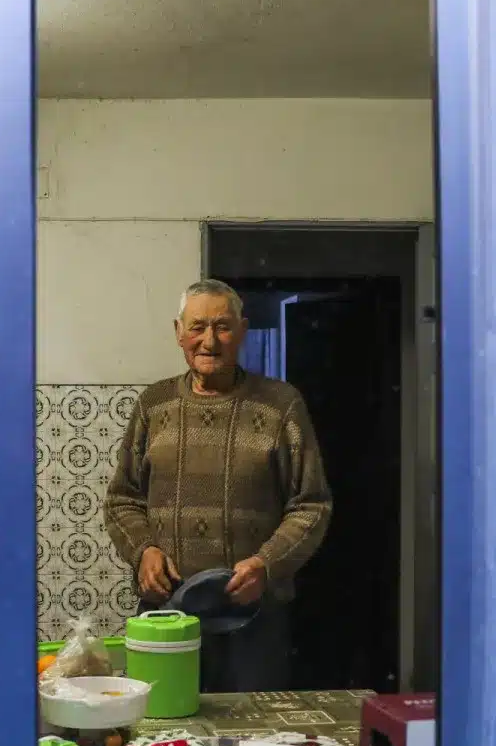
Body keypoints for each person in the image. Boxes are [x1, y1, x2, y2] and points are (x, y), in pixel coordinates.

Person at [104, 279, 333, 693]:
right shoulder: (153, 405)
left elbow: (312, 505)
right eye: (197, 327)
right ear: (178, 332)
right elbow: (123, 499)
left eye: (223, 326)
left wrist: (267, 563)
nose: (209, 341)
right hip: (166, 615)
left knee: (252, 739)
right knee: (165, 730)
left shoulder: (282, 405)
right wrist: (143, 551)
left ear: (243, 330)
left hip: (254, 618)